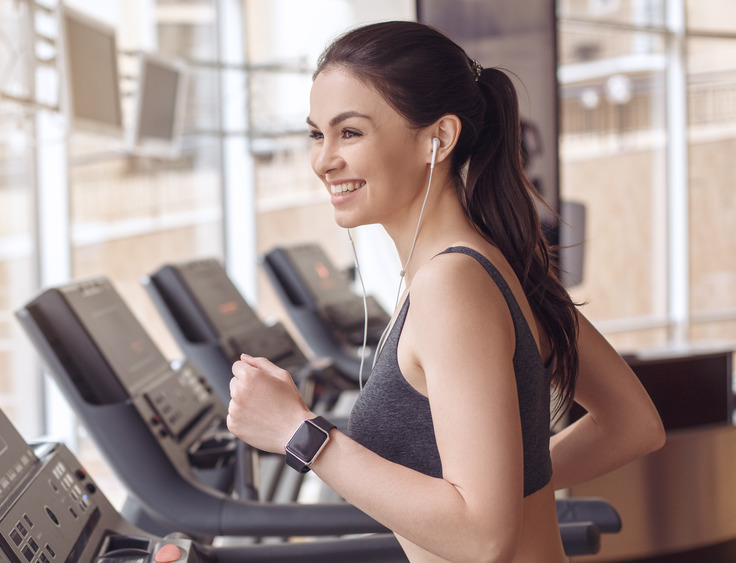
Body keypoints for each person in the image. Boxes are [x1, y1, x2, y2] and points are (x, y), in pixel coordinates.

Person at [225, 20, 665, 563]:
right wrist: (512, 486)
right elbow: (634, 425)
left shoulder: (451, 286)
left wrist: (299, 432)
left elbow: (484, 538)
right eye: (318, 134)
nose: (324, 160)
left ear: (438, 138)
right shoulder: (487, 262)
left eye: (351, 133)